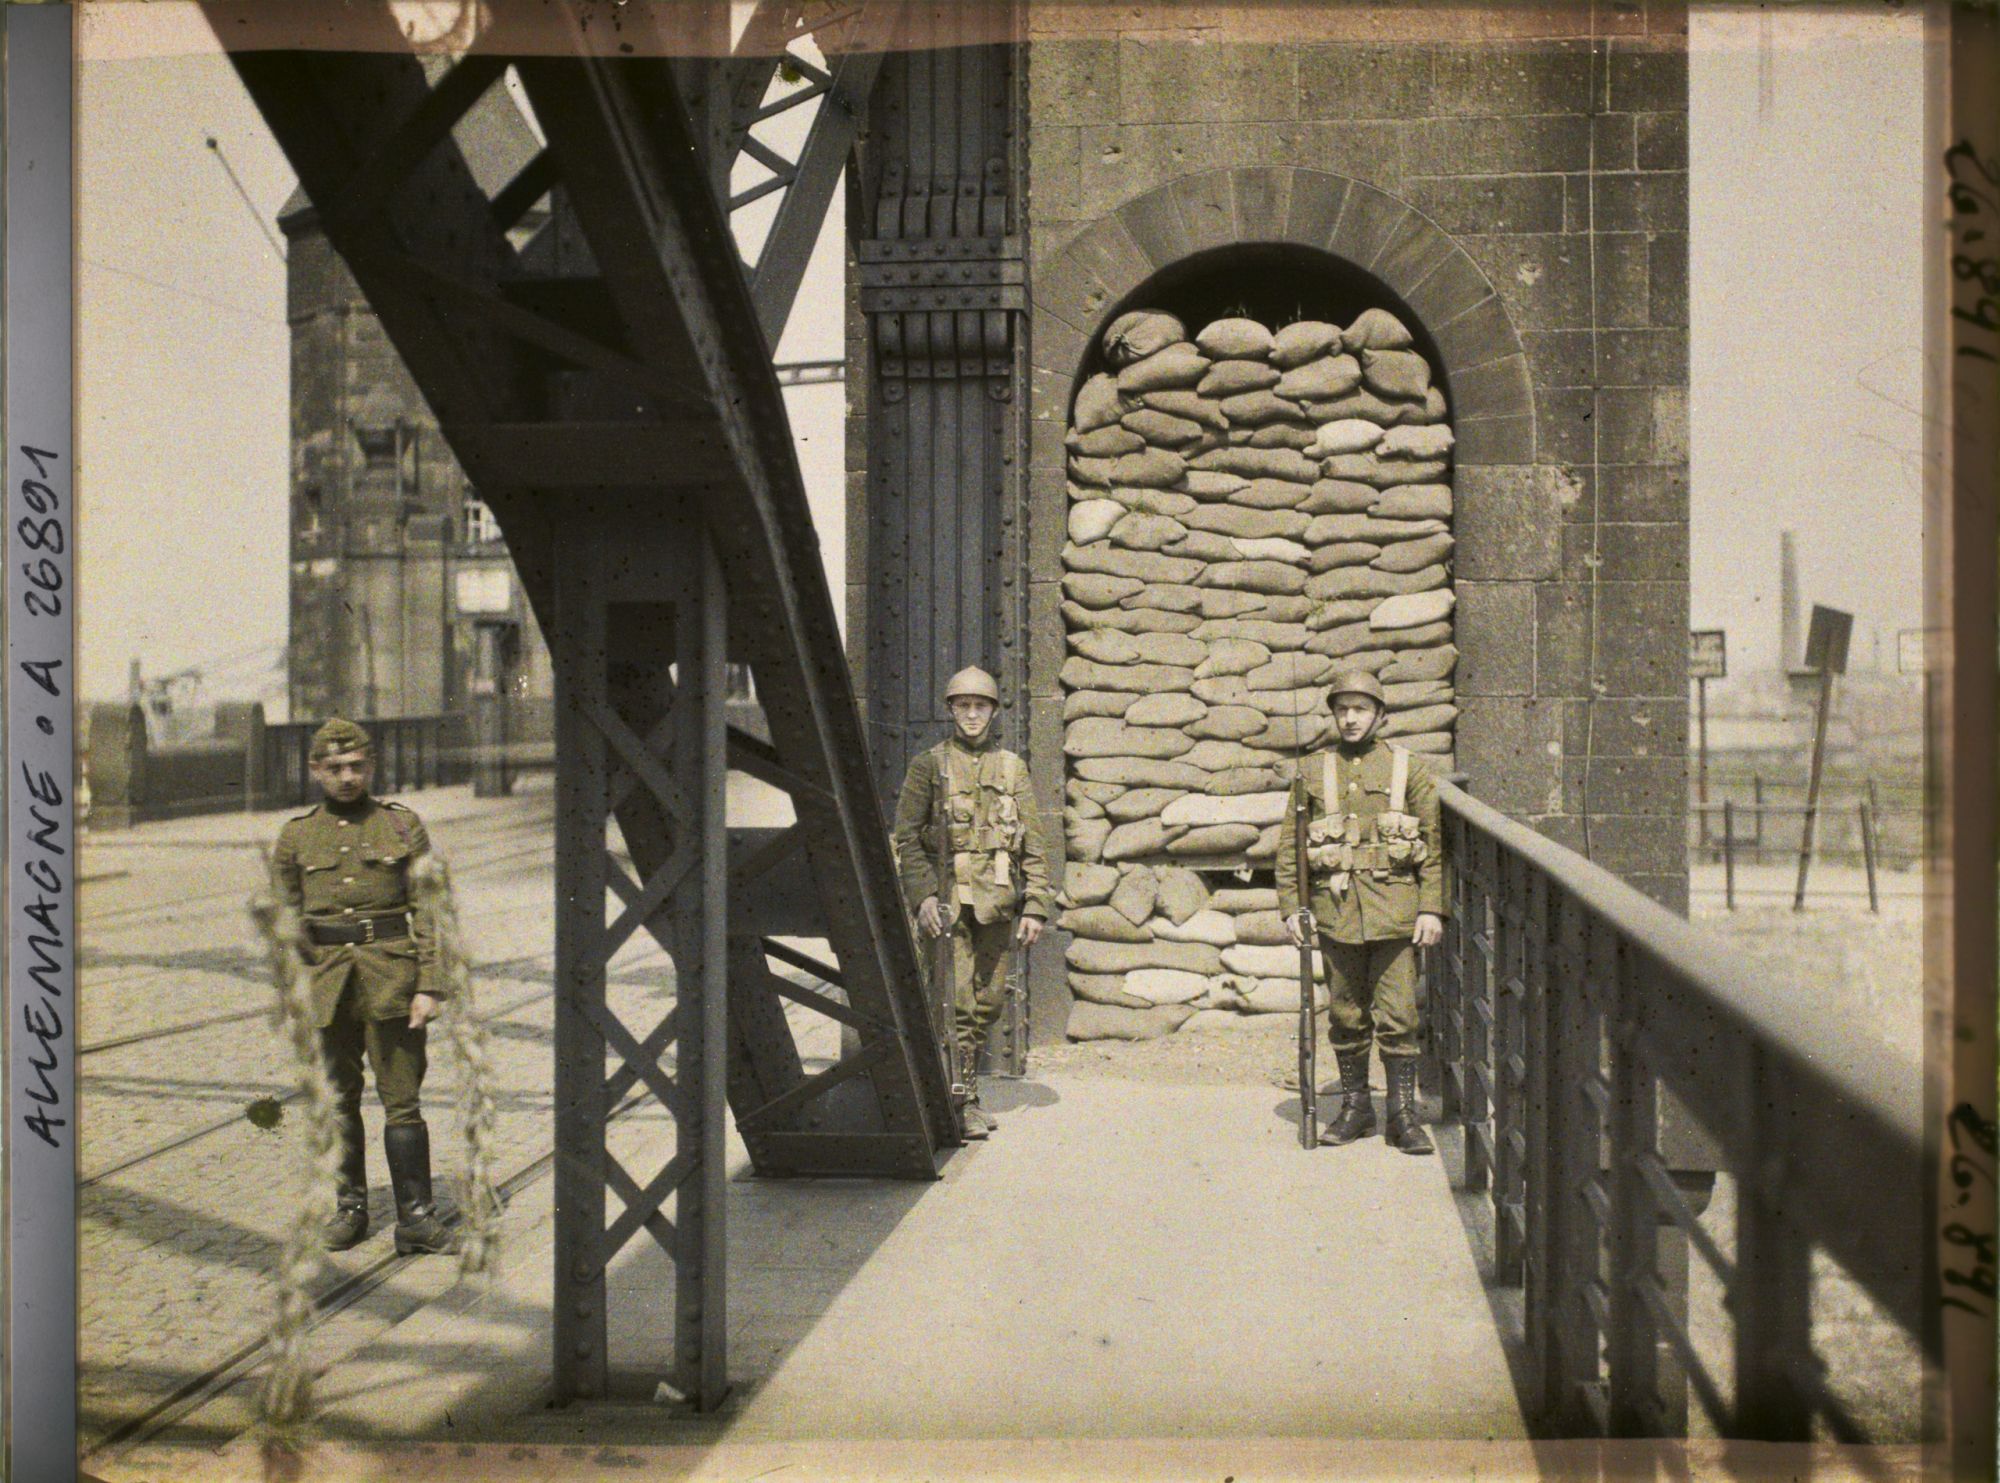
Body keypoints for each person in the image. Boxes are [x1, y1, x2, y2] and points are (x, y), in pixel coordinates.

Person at [272, 718, 457, 1253]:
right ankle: (349, 1209)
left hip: (392, 979)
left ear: (371, 767)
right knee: (338, 1100)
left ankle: (416, 1219)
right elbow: (285, 919)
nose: (347, 777)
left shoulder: (401, 827)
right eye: (334, 768)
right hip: (328, 986)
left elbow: (429, 908)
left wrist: (431, 985)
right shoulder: (296, 836)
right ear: (315, 771)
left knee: (402, 1102)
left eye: (356, 767)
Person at [1274, 671, 1446, 1154]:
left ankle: (1402, 1114)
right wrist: (1293, 907)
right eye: (1342, 709)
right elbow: (1290, 848)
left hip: (1395, 912)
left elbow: (1432, 846)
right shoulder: (1312, 771)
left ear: (1380, 715)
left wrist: (1432, 908)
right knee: (1346, 1015)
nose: (1350, 718)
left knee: (1399, 1015)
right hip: (1337, 913)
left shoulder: (1407, 768)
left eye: (1361, 709)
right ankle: (1356, 1108)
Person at [890, 667, 1054, 1139]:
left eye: (980, 706)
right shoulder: (930, 765)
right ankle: (960, 1102)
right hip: (949, 902)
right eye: (963, 706)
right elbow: (907, 839)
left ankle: (961, 1093)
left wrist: (1036, 905)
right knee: (956, 1003)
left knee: (988, 1004)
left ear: (994, 711)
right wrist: (922, 897)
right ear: (950, 711)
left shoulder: (1011, 768)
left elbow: (1034, 844)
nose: (972, 715)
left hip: (998, 901)